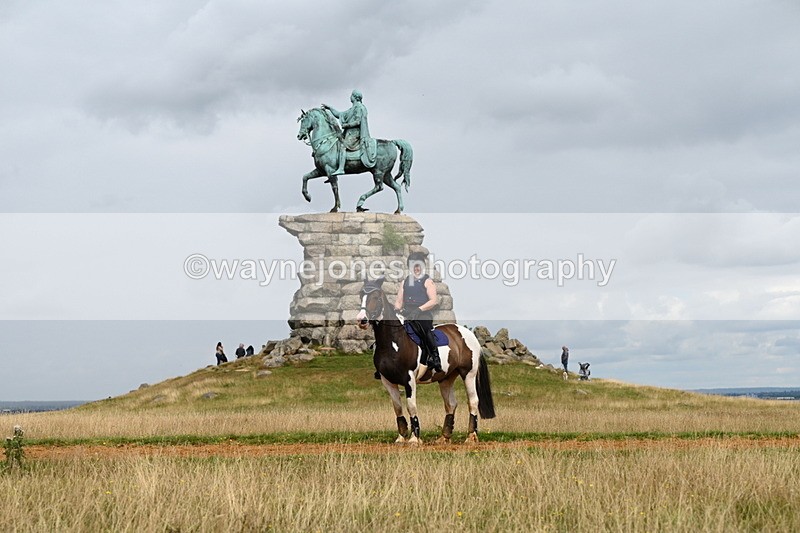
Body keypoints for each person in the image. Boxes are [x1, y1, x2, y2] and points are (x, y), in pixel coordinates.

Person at [395, 251, 442, 374]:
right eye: (413, 266)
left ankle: (435, 357)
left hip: (423, 313)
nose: (416, 268)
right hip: (407, 312)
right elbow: (399, 301)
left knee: (424, 328)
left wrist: (418, 310)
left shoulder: (427, 281)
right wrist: (396, 310)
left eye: (418, 266)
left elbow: (433, 301)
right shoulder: (405, 282)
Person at [321, 89, 377, 175]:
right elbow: (339, 114)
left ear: (354, 97)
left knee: (342, 146)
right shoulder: (352, 108)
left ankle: (341, 168)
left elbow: (358, 121)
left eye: (351, 95)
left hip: (355, 134)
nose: (350, 97)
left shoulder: (359, 107)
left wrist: (347, 125)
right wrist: (329, 108)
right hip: (349, 133)